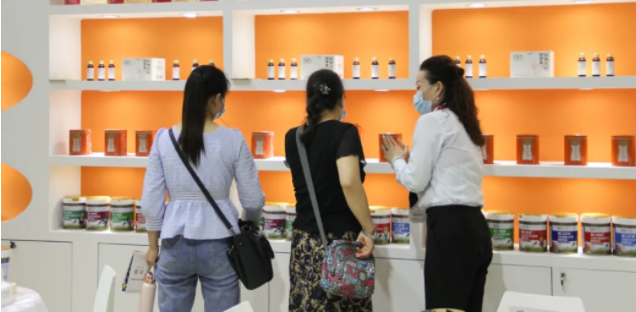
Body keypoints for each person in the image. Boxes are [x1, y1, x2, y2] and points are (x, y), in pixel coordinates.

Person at [142, 65, 265, 312]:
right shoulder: (233, 139)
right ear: (216, 99)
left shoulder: (164, 139)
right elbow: (252, 200)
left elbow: (151, 201)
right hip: (221, 242)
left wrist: (153, 247)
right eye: (223, 99)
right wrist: (251, 224)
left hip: (174, 243)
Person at [382, 56, 492, 312]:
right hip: (476, 228)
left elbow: (415, 180)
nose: (417, 94)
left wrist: (396, 160)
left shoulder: (431, 121)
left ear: (438, 87)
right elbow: (446, 170)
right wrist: (412, 161)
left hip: (450, 232)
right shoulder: (465, 123)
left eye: (419, 87)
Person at [285, 70, 375, 312]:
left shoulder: (292, 137)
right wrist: (368, 228)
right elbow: (349, 182)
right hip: (340, 243)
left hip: (304, 243)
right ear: (341, 99)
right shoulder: (345, 132)